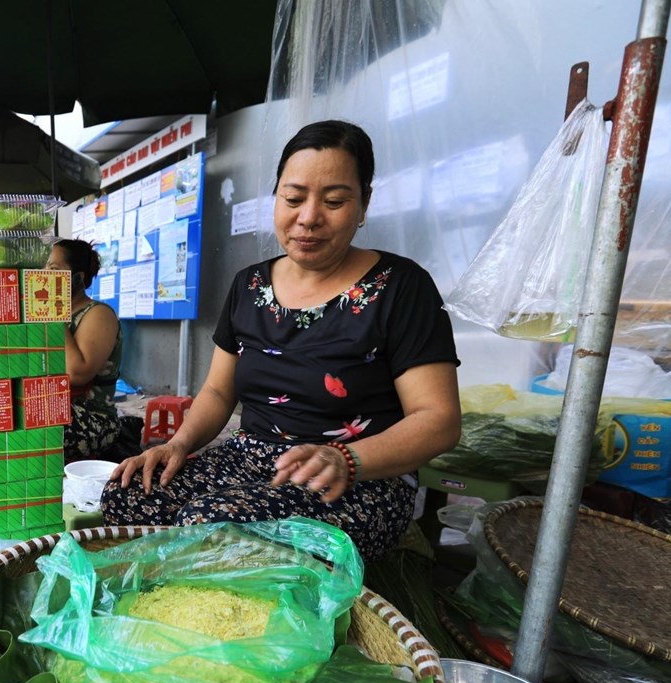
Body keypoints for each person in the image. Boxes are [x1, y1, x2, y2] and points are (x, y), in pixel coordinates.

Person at [100, 120, 461, 561]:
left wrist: (346, 459)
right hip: (250, 459)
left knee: (210, 526)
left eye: (334, 201)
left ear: (364, 204)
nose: (308, 217)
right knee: (129, 495)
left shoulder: (401, 287)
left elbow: (438, 419)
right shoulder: (249, 285)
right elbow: (217, 390)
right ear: (276, 198)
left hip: (356, 479)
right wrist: (176, 444)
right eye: (293, 198)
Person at [44, 239, 124, 462]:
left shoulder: (99, 314)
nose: (44, 276)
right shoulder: (50, 314)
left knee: (33, 426)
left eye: (54, 270)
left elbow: (77, 373)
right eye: (44, 268)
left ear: (78, 278)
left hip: (92, 416)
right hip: (53, 405)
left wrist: (52, 312)